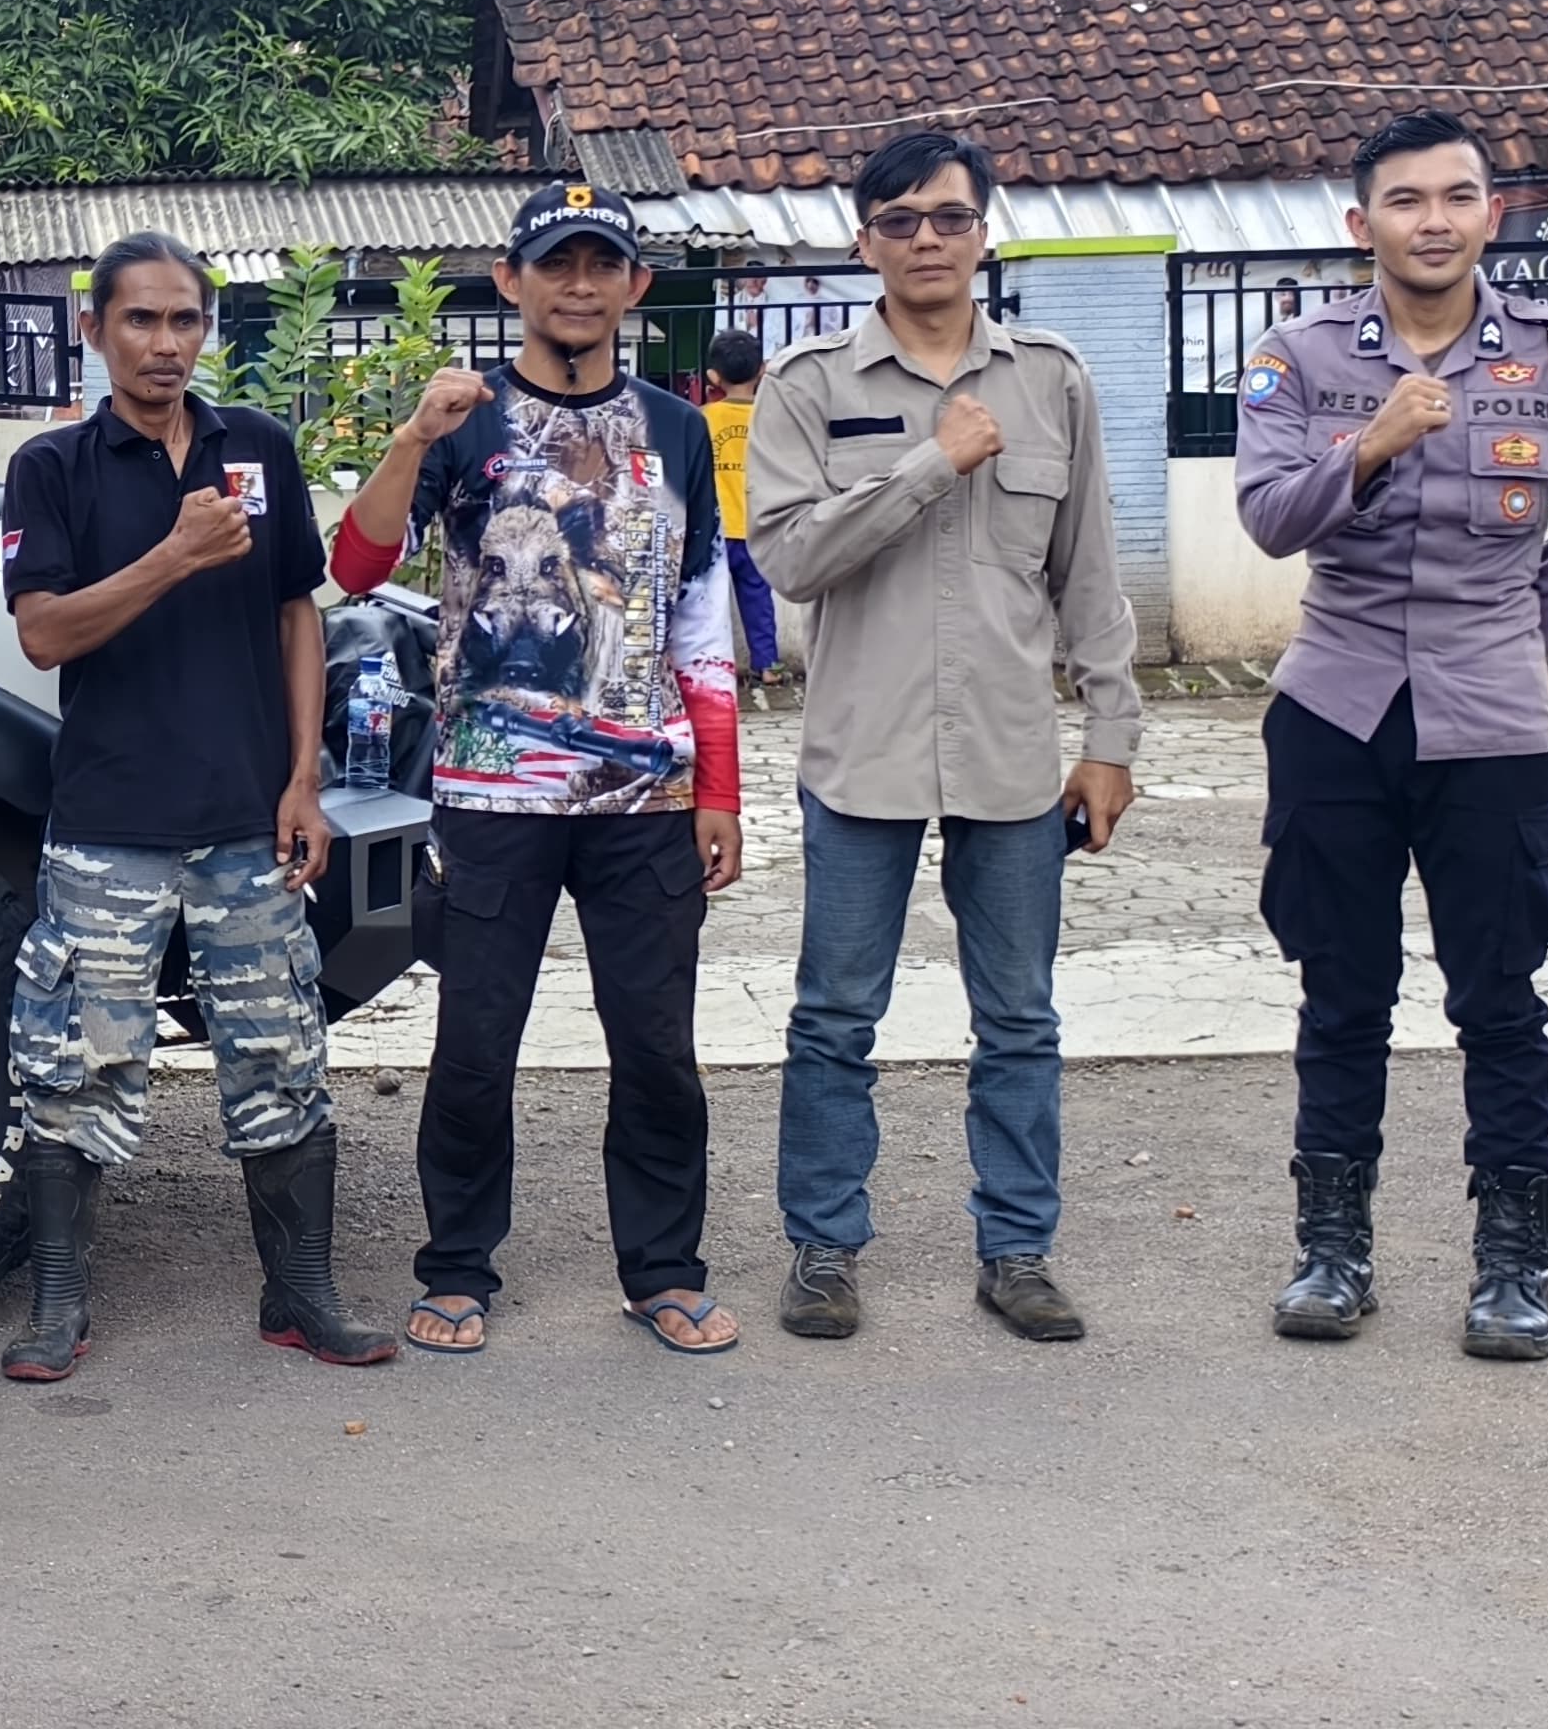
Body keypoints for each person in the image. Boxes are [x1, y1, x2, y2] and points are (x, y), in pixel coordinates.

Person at [1237, 110, 1548, 1361]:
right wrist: (1371, 443)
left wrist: (1506, 644)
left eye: (1455, 198)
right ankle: (1331, 1252)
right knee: (1340, 993)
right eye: (1404, 201)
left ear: (1490, 215)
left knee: (1500, 998)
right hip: (1334, 711)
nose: (1432, 221)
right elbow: (1266, 520)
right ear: (1361, 225)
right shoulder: (1294, 356)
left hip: (1493, 725)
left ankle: (1512, 1264)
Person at [325, 181, 746, 1359]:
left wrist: (717, 786)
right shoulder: (461, 419)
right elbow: (355, 568)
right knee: (475, 1039)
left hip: (644, 794)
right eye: (553, 264)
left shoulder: (674, 429)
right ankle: (457, 1263)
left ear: (634, 287)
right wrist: (412, 436)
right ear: (508, 282)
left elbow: (700, 621)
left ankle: (662, 1267)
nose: (577, 285)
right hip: (488, 790)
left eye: (599, 264)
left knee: (656, 1042)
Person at [745, 132, 1144, 1347]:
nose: (926, 239)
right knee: (833, 1016)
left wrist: (1111, 736)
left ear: (985, 231)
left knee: (1018, 1016)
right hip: (860, 757)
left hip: (1015, 756)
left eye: (948, 218)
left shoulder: (1051, 380)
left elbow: (1088, 577)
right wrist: (931, 463)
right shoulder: (807, 385)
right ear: (862, 240)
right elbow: (789, 557)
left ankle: (1016, 1249)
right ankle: (822, 1247)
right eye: (899, 220)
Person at [0, 232, 391, 1383]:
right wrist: (171, 555)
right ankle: (59, 1300)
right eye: (140, 323)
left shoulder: (255, 447)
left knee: (280, 1056)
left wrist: (303, 775)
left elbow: (295, 615)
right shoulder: (53, 469)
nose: (164, 345)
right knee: (75, 1065)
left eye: (183, 323)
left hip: (246, 822)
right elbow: (43, 632)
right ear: (94, 330)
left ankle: (300, 1292)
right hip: (111, 825)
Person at [700, 329, 781, 682]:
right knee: (758, 600)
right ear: (762, 370)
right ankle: (767, 665)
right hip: (757, 527)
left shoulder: (702, 418)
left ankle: (709, 666)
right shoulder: (772, 418)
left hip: (714, 530)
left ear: (712, 377)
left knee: (708, 605)